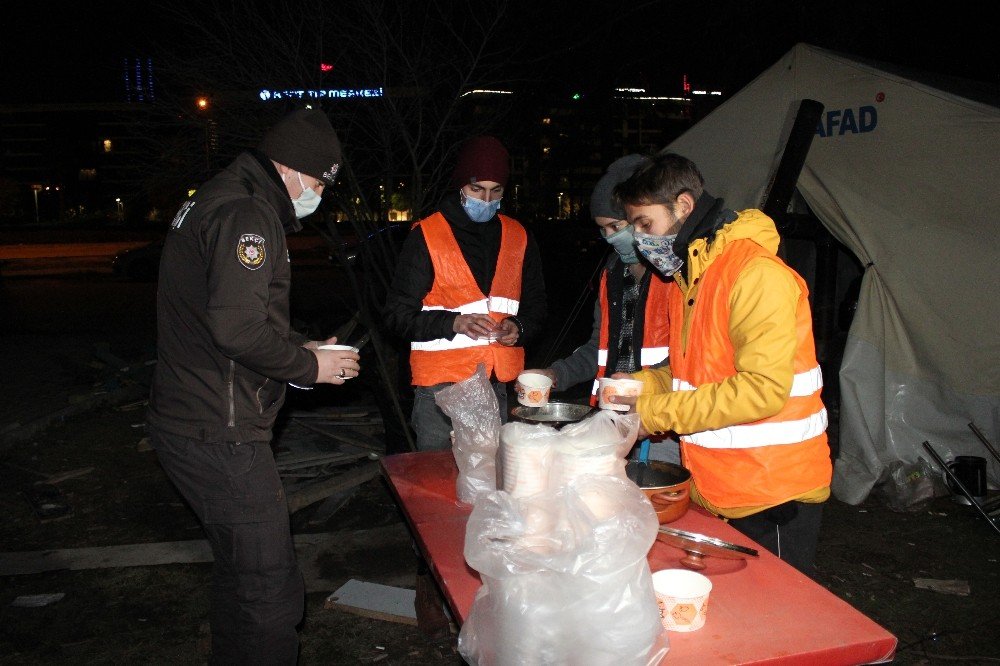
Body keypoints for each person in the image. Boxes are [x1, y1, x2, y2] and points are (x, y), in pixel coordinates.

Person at [147, 108, 361, 664]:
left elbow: (233, 309)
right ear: (290, 169)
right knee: (270, 589)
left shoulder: (223, 197)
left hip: (194, 417)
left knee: (241, 579)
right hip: (221, 430)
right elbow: (237, 329)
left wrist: (301, 345)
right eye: (316, 183)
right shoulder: (247, 213)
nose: (316, 196)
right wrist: (310, 369)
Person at [611, 152, 832, 575]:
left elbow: (760, 390)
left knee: (776, 623)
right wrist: (640, 385)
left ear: (684, 206)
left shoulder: (755, 275)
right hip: (720, 486)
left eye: (645, 224)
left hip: (774, 494)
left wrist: (650, 415)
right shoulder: (689, 277)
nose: (640, 240)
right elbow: (693, 373)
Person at [383, 136, 547, 451]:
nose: (486, 199)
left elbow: (537, 307)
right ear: (460, 186)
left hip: (495, 385)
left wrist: (519, 327)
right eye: (477, 189)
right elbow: (396, 316)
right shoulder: (427, 236)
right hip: (439, 392)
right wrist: (453, 323)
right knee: (438, 484)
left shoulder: (518, 236)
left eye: (495, 190)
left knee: (488, 484)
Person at [520, 154, 680, 464]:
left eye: (615, 226)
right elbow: (599, 348)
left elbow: (691, 358)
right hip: (613, 419)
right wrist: (555, 375)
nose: (609, 238)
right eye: (602, 229)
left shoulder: (674, 275)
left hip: (664, 425)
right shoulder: (612, 276)